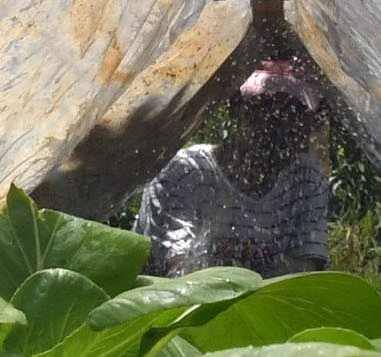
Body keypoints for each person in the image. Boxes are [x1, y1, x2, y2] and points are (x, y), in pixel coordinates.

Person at [135, 55, 334, 277]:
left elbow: (304, 277)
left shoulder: (305, 179)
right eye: (264, 108)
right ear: (235, 108)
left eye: (294, 112)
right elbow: (178, 275)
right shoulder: (186, 173)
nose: (278, 124)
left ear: (308, 123)